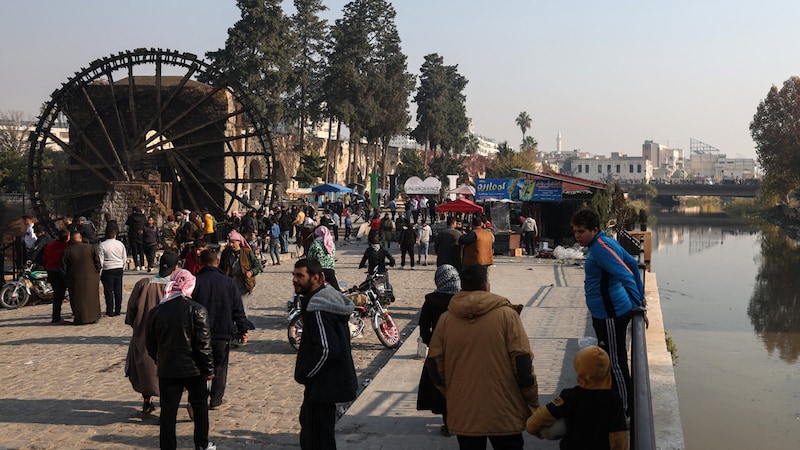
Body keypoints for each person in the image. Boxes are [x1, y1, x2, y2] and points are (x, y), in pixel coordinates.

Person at [426, 264, 539, 449]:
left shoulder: (446, 319)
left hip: (464, 411)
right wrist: (532, 401)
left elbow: (434, 364)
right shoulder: (507, 316)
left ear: (462, 287)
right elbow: (523, 363)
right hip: (505, 410)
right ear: (486, 286)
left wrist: (452, 392)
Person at [571, 208, 645, 418]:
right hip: (605, 313)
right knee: (613, 359)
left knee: (616, 363)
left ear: (594, 230)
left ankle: (625, 410)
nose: (577, 235)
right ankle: (620, 403)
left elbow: (626, 274)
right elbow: (632, 263)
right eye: (575, 231)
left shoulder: (601, 248)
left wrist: (639, 304)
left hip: (610, 314)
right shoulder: (603, 243)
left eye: (582, 231)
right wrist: (640, 296)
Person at [146, 269, 216, 450]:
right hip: (194, 370)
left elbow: (151, 345)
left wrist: (160, 360)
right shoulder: (197, 310)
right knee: (200, 409)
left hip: (168, 369)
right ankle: (201, 444)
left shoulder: (156, 311)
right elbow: (203, 345)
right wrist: (209, 369)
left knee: (168, 412)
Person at [292, 258, 357, 450]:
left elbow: (327, 350)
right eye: (294, 275)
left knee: (317, 438)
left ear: (317, 278)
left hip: (323, 386)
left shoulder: (318, 307)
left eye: (300, 276)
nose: (295, 280)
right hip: (325, 385)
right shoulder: (324, 299)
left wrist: (306, 374)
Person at [526, 345, 628, 450]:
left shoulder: (570, 396)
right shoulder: (614, 400)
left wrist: (532, 428)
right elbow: (619, 437)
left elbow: (542, 417)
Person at [193, 249, 254, 410]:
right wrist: (243, 330)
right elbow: (237, 309)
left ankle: (199, 397)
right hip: (222, 332)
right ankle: (216, 399)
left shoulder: (195, 282)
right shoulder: (228, 283)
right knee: (220, 366)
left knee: (200, 365)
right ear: (217, 262)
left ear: (200, 263)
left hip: (200, 333)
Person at [125, 250, 181, 414]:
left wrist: (137, 327)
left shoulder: (143, 284)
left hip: (144, 334)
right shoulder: (177, 287)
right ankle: (167, 405)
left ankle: (147, 400)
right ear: (176, 267)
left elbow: (131, 311)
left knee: (146, 367)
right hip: (170, 336)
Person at [416, 264, 461, 436]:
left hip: (439, 351)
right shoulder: (462, 299)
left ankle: (448, 424)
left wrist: (430, 342)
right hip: (462, 350)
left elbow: (424, 327)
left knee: (441, 386)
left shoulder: (432, 301)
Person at [60, 231, 102, 325]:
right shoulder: (90, 248)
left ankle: (80, 318)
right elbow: (98, 263)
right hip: (91, 277)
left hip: (75, 279)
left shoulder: (67, 250)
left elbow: (63, 268)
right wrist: (96, 273)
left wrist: (67, 279)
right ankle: (94, 316)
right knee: (93, 298)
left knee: (78, 300)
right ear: (80, 238)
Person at [219, 230, 263, 298]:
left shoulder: (247, 252)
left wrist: (251, 272)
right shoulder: (226, 253)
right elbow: (221, 268)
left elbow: (257, 266)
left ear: (239, 242)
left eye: (233, 242)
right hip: (230, 284)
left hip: (244, 284)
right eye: (230, 242)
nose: (231, 244)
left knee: (242, 307)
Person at [97, 228, 127, 316]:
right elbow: (124, 257)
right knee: (118, 290)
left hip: (107, 269)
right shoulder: (120, 244)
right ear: (115, 235)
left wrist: (100, 271)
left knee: (108, 291)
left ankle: (109, 310)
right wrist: (122, 267)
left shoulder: (102, 245)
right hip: (118, 267)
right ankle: (118, 309)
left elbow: (101, 260)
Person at [42, 228, 70, 324]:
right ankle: (57, 317)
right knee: (62, 294)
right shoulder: (66, 247)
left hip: (51, 270)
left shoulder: (50, 245)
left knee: (57, 295)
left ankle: (56, 315)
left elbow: (44, 258)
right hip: (60, 271)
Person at [307, 226, 340, 291]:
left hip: (318, 270)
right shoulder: (331, 244)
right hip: (330, 270)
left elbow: (310, 257)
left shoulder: (315, 244)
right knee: (337, 292)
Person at [126, 207, 147, 271]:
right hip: (141, 236)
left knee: (134, 251)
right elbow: (145, 223)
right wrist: (143, 214)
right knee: (141, 251)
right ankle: (142, 265)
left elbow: (127, 223)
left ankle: (137, 265)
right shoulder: (143, 217)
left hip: (133, 235)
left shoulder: (131, 217)